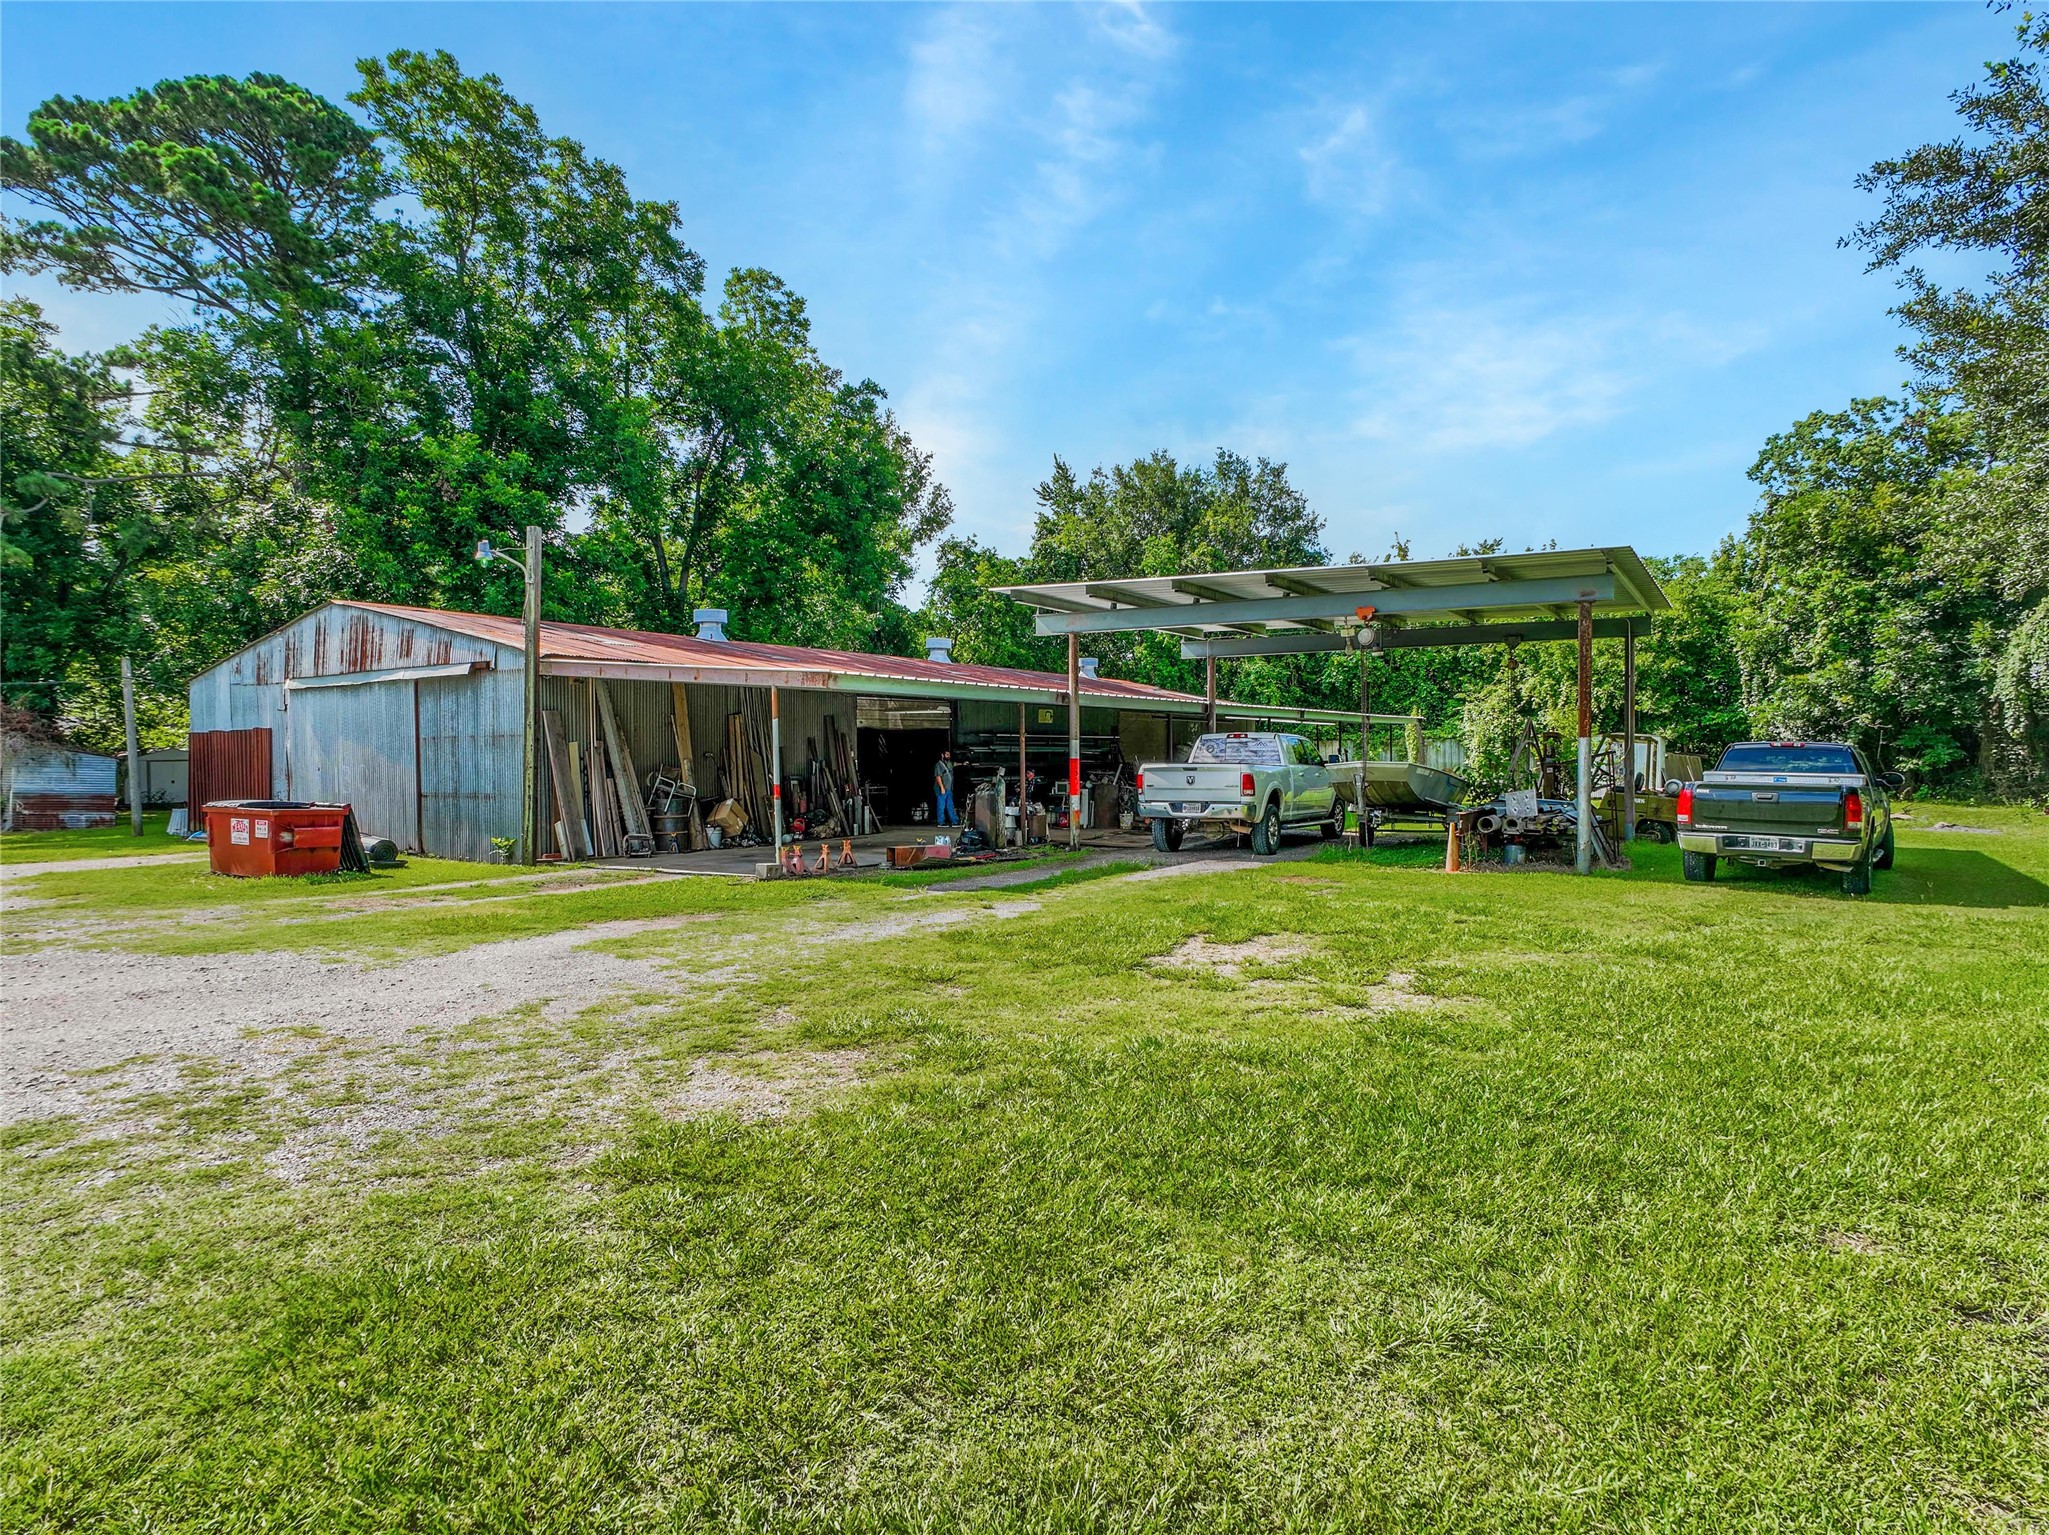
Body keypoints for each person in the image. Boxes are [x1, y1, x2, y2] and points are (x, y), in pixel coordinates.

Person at [933, 748, 958, 826]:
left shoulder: (949, 763)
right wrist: (942, 788)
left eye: (949, 755)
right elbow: (938, 777)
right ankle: (941, 822)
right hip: (942, 789)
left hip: (949, 789)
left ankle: (955, 821)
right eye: (947, 755)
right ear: (942, 755)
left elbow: (955, 764)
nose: (948, 756)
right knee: (941, 805)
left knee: (950, 805)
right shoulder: (939, 765)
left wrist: (963, 763)